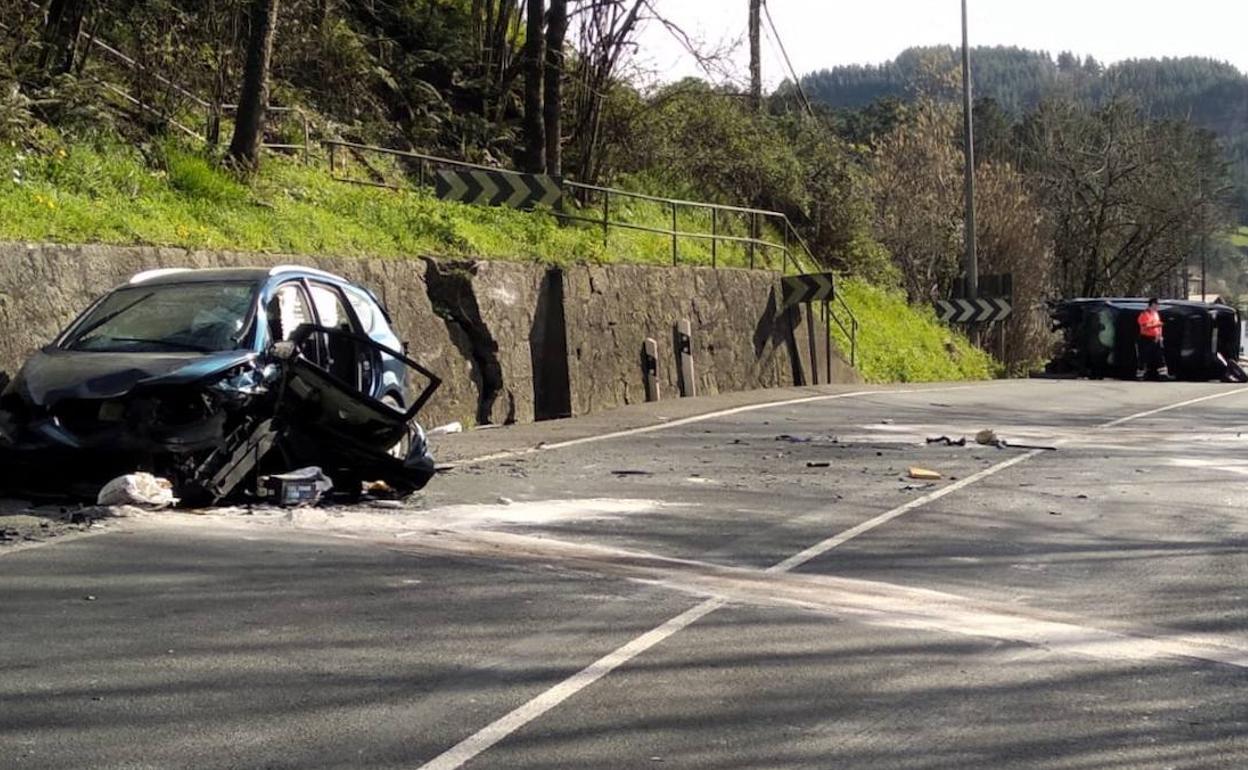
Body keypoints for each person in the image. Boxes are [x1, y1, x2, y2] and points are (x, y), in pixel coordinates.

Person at [1137, 298, 1166, 381]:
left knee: (1160, 357)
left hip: (1156, 338)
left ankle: (1163, 375)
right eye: (1157, 304)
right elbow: (1144, 326)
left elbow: (1159, 325)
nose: (1158, 306)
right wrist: (1156, 325)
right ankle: (1140, 375)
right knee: (1144, 357)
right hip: (1146, 338)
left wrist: (1160, 336)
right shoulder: (1144, 314)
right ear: (1152, 304)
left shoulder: (1156, 314)